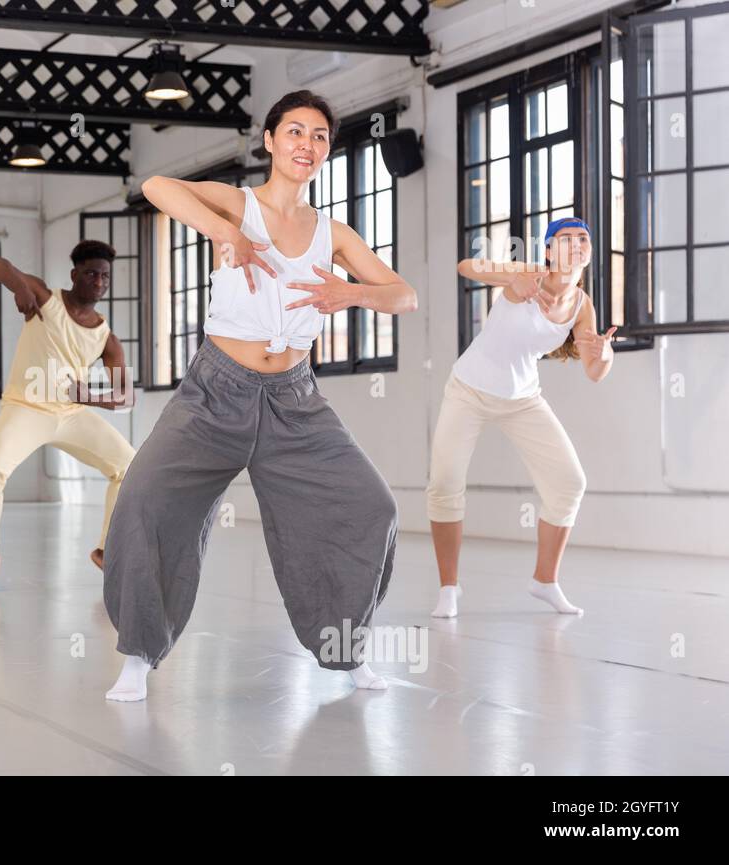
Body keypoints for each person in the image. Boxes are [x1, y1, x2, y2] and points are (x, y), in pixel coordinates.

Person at [102, 91, 417, 701]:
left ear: (327, 150)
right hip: (215, 391)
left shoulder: (334, 232)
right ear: (270, 141)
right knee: (145, 500)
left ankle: (344, 650)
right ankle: (138, 654)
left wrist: (350, 295)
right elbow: (158, 185)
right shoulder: (238, 204)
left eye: (320, 135)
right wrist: (226, 234)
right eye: (294, 131)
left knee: (372, 507)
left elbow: (403, 295)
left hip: (296, 402)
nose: (307, 143)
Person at [427, 217, 616, 619]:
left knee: (569, 483)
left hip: (522, 397)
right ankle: (449, 588)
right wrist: (511, 282)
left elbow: (593, 372)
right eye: (565, 239)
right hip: (469, 389)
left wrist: (605, 356)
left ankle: (544, 581)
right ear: (548, 251)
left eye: (584, 238)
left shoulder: (583, 306)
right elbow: (465, 266)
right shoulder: (527, 272)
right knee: (445, 483)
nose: (577, 243)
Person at [0, 241, 137, 593]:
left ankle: (107, 550)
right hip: (26, 408)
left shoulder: (108, 339)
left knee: (128, 465)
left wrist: (89, 397)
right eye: (91, 273)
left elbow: (125, 395)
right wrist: (19, 287)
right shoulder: (46, 300)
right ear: (75, 274)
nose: (98, 282)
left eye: (105, 276)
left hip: (71, 413)